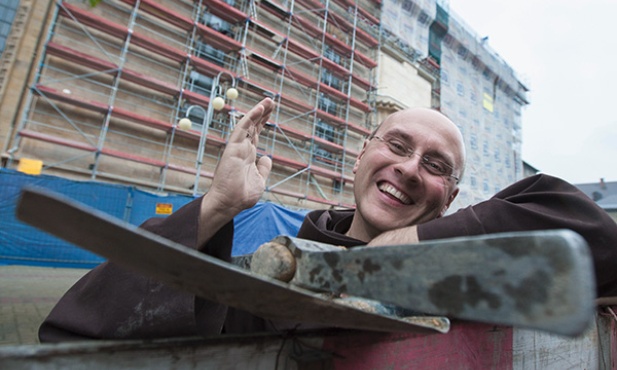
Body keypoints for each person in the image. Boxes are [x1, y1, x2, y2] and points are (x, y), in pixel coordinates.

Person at [38, 98, 617, 342]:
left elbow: (589, 232)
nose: (409, 169)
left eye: (435, 165)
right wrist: (217, 206)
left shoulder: (464, 271)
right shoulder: (269, 269)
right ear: (363, 154)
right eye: (396, 145)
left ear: (449, 197)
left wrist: (408, 249)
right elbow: (77, 330)